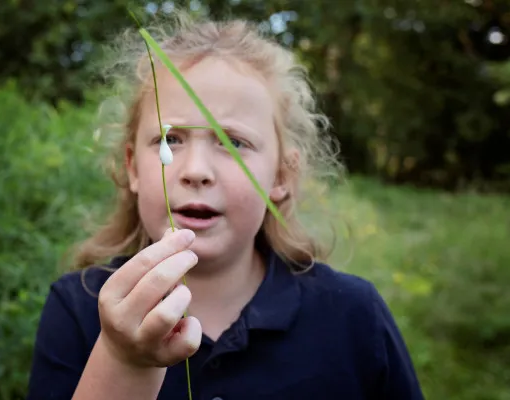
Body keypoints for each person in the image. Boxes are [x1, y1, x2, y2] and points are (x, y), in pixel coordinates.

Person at [26, 11, 425, 400]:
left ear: (281, 178)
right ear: (133, 167)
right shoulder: (79, 307)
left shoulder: (354, 316)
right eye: (171, 140)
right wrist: (121, 358)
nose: (195, 171)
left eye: (233, 142)